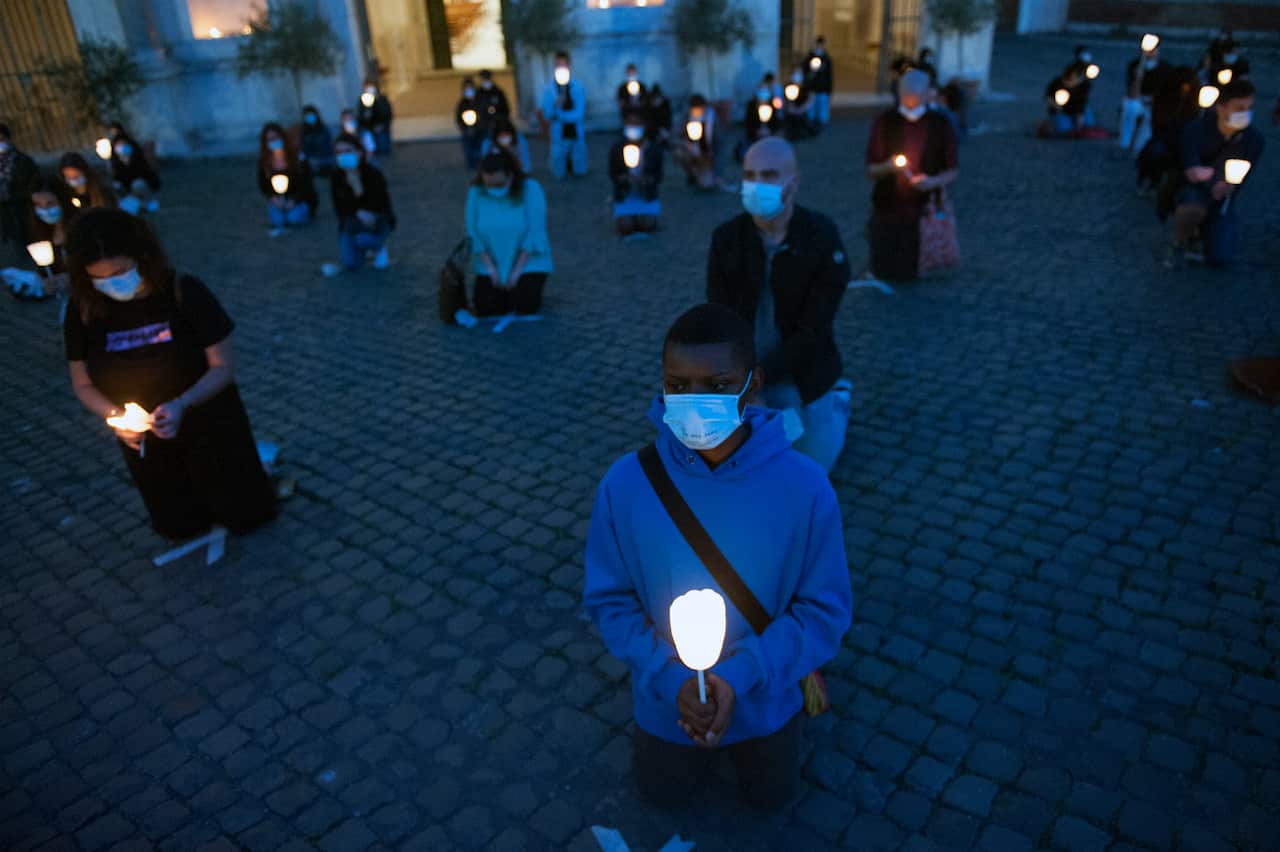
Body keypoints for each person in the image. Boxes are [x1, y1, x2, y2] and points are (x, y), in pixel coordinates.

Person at [582, 302, 853, 810]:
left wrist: (739, 676)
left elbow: (825, 610)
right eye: (677, 385)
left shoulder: (805, 488)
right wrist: (670, 677)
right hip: (667, 702)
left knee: (772, 800)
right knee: (662, 796)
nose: (693, 401)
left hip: (767, 700)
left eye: (717, 383)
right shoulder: (626, 484)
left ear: (754, 384)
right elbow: (611, 600)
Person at [62, 208, 277, 540]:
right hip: (149, 446)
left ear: (141, 256)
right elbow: (83, 383)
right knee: (179, 526)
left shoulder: (183, 291)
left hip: (211, 425)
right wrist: (118, 419)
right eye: (99, 278)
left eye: (120, 271)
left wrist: (182, 403)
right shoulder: (84, 310)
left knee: (247, 517)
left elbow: (223, 367)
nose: (111, 284)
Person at [707, 137, 853, 472]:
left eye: (769, 175)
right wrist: (742, 383)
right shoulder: (727, 239)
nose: (757, 185)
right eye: (749, 174)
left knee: (808, 468)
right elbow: (720, 317)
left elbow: (814, 328)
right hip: (741, 375)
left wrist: (761, 379)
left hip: (798, 374)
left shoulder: (821, 237)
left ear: (793, 182)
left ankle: (838, 402)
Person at [863, 69, 960, 285]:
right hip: (887, 207)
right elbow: (870, 169)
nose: (910, 106)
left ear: (927, 95)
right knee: (886, 265)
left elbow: (953, 169)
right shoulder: (885, 122)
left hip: (923, 211)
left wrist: (931, 182)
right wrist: (887, 167)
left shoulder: (940, 124)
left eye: (915, 100)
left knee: (911, 270)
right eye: (906, 99)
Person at [1166, 80, 1265, 269]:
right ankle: (1181, 239)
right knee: (1192, 207)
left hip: (1223, 196)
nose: (1246, 113)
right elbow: (1191, 170)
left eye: (1249, 107)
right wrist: (1212, 182)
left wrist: (1227, 186)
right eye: (1239, 108)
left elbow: (1241, 176)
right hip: (1193, 191)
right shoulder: (1196, 129)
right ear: (1221, 108)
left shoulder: (1254, 140)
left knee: (1220, 256)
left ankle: (1207, 229)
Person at [464, 149, 552, 318]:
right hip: (492, 262)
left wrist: (516, 272)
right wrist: (491, 268)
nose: (493, 189)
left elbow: (535, 232)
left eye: (498, 185)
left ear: (510, 176)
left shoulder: (531, 189)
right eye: (488, 184)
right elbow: (472, 231)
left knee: (524, 306)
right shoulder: (476, 192)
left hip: (527, 262)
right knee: (486, 308)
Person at [2, 174, 76, 299]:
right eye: (38, 204)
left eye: (50, 203)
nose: (45, 209)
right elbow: (45, 269)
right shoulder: (39, 230)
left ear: (62, 201)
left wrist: (73, 278)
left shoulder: (80, 227)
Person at [330, 135, 396, 271]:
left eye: (347, 151)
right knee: (351, 263)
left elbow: (381, 203)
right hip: (351, 223)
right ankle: (364, 248)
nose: (343, 155)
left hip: (376, 220)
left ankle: (377, 246)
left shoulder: (373, 174)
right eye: (339, 153)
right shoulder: (337, 177)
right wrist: (356, 207)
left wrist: (359, 191)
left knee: (363, 239)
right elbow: (340, 209)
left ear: (359, 152)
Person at [609, 109, 663, 237]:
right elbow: (613, 174)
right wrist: (624, 178)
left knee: (647, 225)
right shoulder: (617, 149)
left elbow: (658, 176)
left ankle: (647, 214)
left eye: (637, 124)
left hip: (646, 195)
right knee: (626, 227)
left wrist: (646, 180)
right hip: (625, 194)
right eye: (630, 124)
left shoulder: (653, 149)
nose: (633, 128)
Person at [257, 123, 317, 237]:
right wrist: (273, 198)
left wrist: (294, 200)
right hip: (278, 200)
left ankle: (305, 213)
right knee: (278, 221)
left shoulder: (297, 157)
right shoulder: (264, 162)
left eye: (276, 137)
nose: (274, 141)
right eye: (270, 139)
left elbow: (307, 184)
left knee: (293, 219)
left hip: (299, 198)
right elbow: (263, 185)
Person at [541, 51, 588, 179]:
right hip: (558, 134)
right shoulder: (548, 89)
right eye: (557, 65)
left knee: (579, 167)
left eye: (563, 65)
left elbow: (579, 114)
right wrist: (555, 105)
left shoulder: (578, 87)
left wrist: (560, 115)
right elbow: (547, 114)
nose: (560, 68)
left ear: (569, 66)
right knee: (558, 168)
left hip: (575, 132)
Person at [1121, 39, 1170, 155]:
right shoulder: (1134, 65)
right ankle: (1125, 143)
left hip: (1156, 104)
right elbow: (1131, 93)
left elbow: (1165, 93)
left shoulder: (1166, 68)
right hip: (1138, 100)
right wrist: (1138, 76)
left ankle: (1139, 148)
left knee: (1148, 121)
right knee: (1130, 107)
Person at [0, 123, 40, 264]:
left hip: (23, 209)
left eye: (2, 139)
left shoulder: (23, 161)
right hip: (6, 213)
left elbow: (33, 185)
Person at [108, 126, 161, 215]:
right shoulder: (115, 161)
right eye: (118, 145)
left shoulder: (137, 157)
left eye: (123, 144)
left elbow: (146, 173)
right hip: (127, 191)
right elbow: (116, 177)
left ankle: (144, 203)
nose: (121, 147)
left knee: (138, 185)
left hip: (143, 187)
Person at [674, 95, 722, 191]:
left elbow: (719, 144)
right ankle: (692, 175)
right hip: (691, 152)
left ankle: (706, 176)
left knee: (707, 185)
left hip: (708, 155)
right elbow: (677, 135)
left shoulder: (712, 118)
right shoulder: (686, 117)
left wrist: (717, 170)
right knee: (679, 153)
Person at [1042, 63, 1091, 137]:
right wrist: (1055, 105)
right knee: (1064, 128)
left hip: (1075, 110)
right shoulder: (1057, 83)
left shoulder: (1084, 85)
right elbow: (1047, 97)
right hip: (1060, 111)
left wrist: (1079, 117)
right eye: (1077, 77)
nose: (1079, 80)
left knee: (1088, 122)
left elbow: (1081, 103)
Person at [357, 79, 394, 156]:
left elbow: (388, 114)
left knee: (384, 149)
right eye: (366, 87)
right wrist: (365, 115)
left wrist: (381, 125)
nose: (368, 89)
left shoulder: (382, 99)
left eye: (370, 87)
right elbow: (360, 117)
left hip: (382, 127)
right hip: (369, 128)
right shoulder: (362, 100)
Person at [804, 36, 834, 131]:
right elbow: (805, 70)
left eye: (822, 45)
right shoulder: (810, 57)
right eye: (818, 44)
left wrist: (829, 89)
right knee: (811, 106)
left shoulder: (827, 59)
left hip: (823, 88)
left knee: (822, 107)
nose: (820, 46)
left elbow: (829, 75)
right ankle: (811, 121)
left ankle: (821, 122)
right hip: (812, 87)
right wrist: (810, 74)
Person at [457, 77, 486, 170]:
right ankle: (472, 164)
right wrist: (465, 129)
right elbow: (458, 118)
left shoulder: (480, 101)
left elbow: (484, 115)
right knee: (469, 148)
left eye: (470, 87)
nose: (468, 90)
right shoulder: (462, 103)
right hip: (468, 131)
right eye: (466, 88)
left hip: (480, 130)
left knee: (481, 147)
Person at [299, 105, 336, 176]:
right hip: (314, 164)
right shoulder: (304, 132)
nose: (310, 117)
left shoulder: (324, 128)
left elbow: (330, 143)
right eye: (307, 115)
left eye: (311, 114)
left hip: (328, 160)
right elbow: (304, 148)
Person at [782, 64, 814, 140]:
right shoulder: (788, 86)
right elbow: (784, 100)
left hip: (802, 110)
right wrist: (789, 107)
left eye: (798, 73)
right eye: (794, 73)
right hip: (790, 111)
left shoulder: (807, 86)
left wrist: (800, 110)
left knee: (801, 119)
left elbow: (810, 100)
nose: (796, 75)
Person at [476, 70, 511, 134]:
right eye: (484, 78)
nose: (485, 80)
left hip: (498, 124)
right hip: (483, 124)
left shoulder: (498, 92)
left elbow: (505, 108)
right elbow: (475, 107)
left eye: (487, 78)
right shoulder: (478, 93)